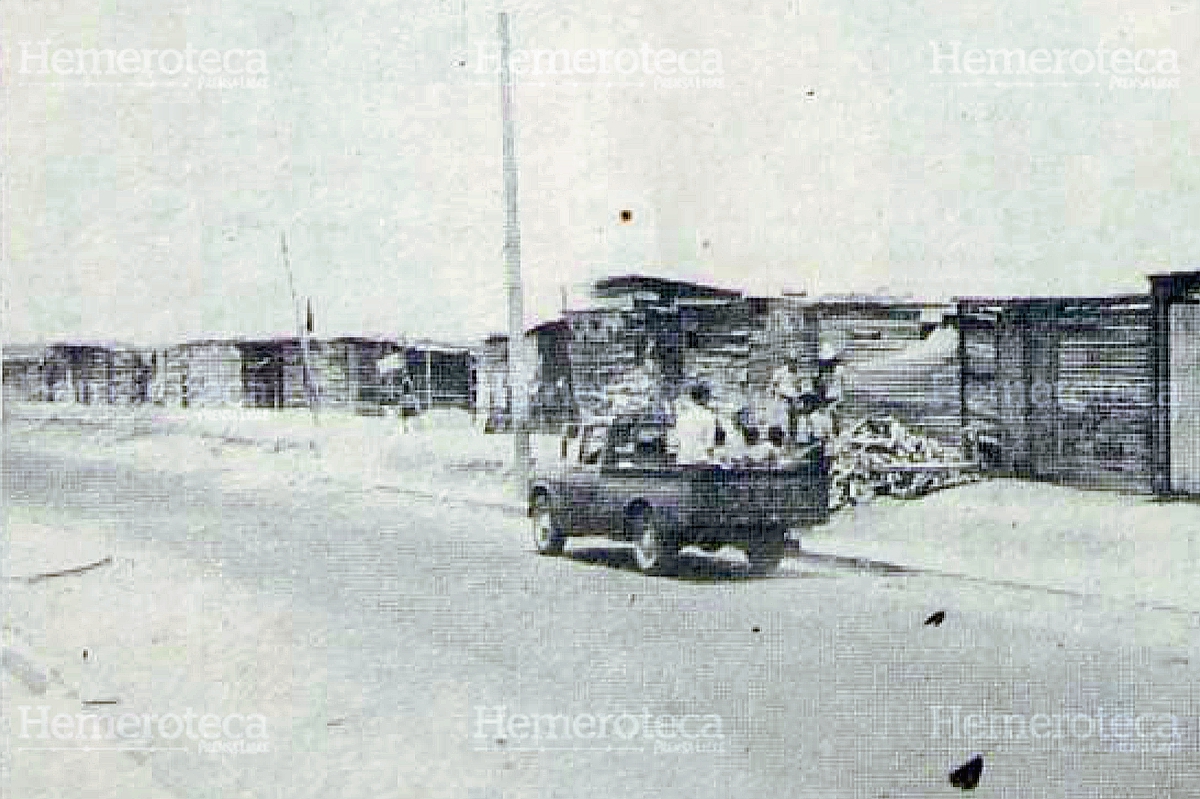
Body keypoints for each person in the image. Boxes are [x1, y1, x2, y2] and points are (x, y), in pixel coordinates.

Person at [670, 382, 722, 464]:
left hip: (682, 461)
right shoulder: (709, 416)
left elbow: (675, 443)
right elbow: (709, 446)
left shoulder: (681, 417)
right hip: (701, 462)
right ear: (705, 398)